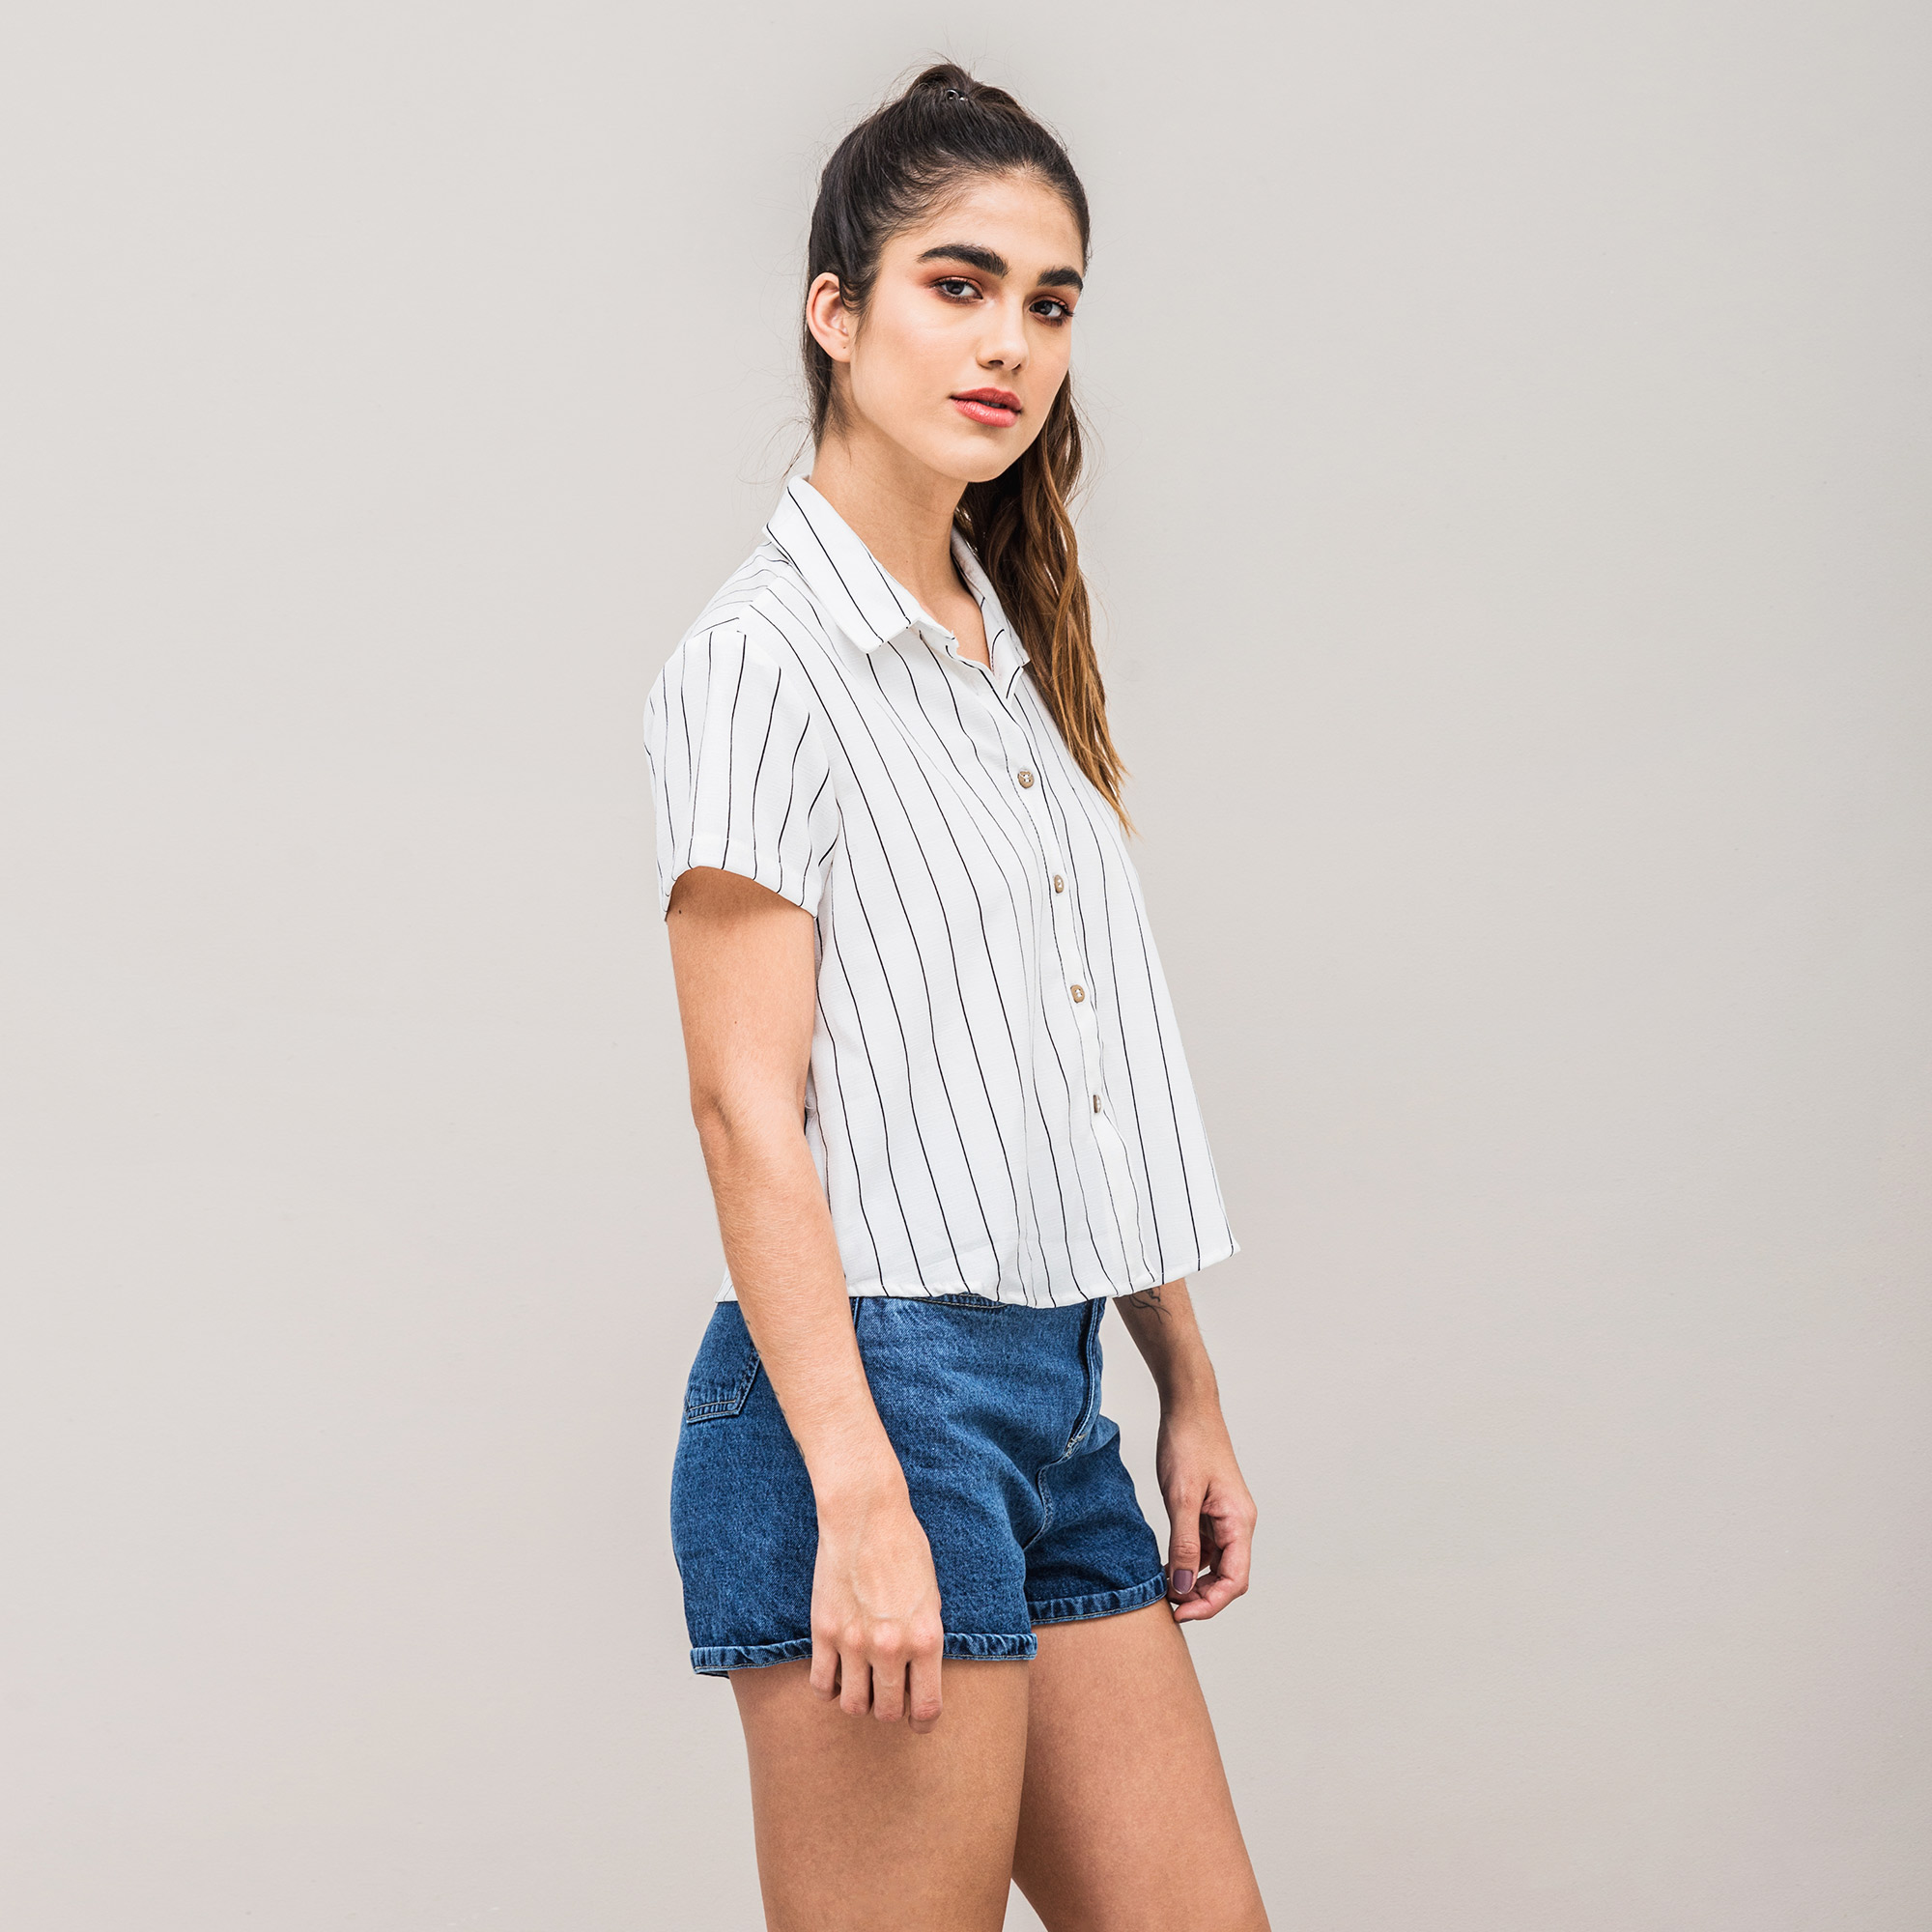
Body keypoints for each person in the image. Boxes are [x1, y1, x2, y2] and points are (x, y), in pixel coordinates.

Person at [643, 63, 1270, 1932]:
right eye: (958, 283)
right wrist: (855, 1490)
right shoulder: (761, 663)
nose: (1010, 341)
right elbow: (744, 1108)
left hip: (1056, 1402)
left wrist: (1184, 1384)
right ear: (836, 314)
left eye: (1049, 303)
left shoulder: (1003, 654)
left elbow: (1079, 1058)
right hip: (876, 1397)